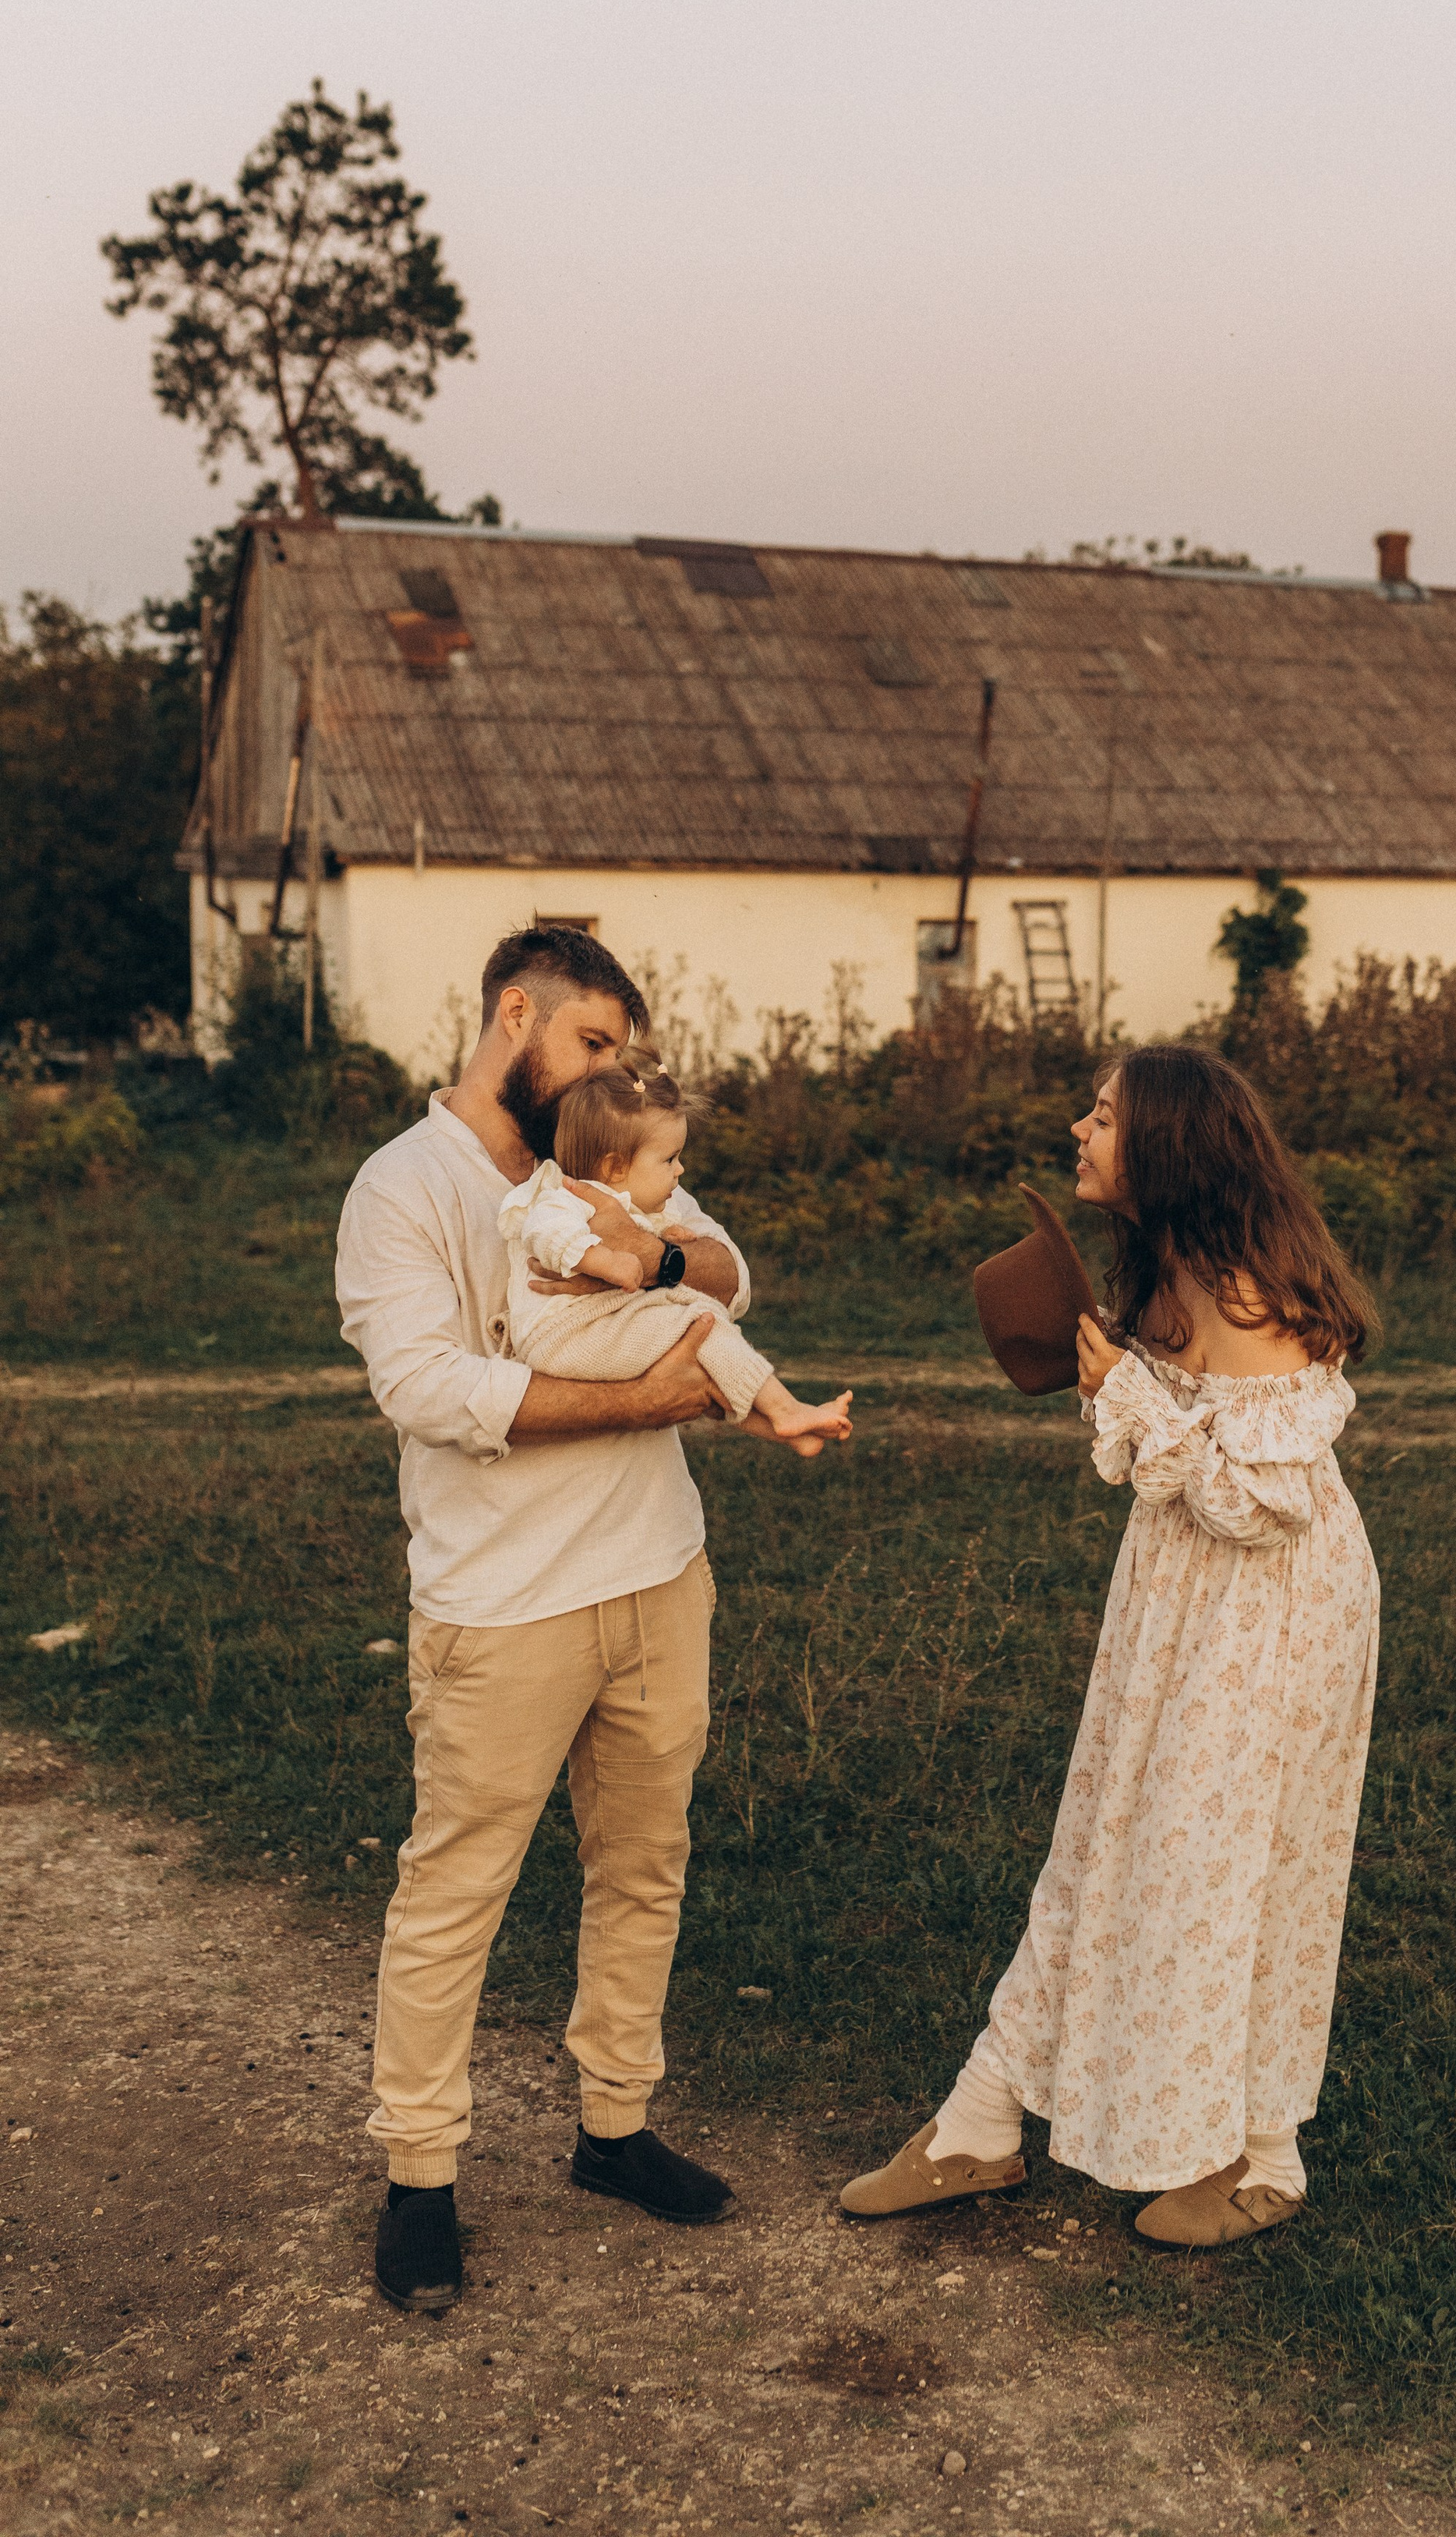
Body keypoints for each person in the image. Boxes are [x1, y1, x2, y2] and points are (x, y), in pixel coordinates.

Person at [839, 1043, 1380, 2249]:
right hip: (1189, 1592)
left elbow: (1264, 1503)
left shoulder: (1244, 1287)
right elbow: (1191, 1457)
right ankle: (982, 2122)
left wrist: (1133, 1404)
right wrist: (1120, 1386)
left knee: (1237, 1859)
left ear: (1171, 1145)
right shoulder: (1175, 1268)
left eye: (1102, 1116)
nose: (1079, 1128)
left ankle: (1264, 2154)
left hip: (1270, 1612)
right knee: (1110, 1836)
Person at [335, 925, 765, 2314]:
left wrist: (666, 1267)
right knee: (456, 1889)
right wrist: (649, 1397)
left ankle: (616, 2129)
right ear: (512, 1014)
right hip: (503, 1604)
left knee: (644, 1866)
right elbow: (430, 1391)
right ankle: (418, 2178)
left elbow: (731, 1276)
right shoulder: (402, 1188)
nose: (608, 1072)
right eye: (589, 1043)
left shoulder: (602, 1163)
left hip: (656, 1575)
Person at [500, 1053, 853, 1453]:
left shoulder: (636, 1204)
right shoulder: (566, 1195)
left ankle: (783, 1427)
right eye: (669, 1159)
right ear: (615, 1167)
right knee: (699, 1325)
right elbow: (545, 1232)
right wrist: (605, 1261)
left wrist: (666, 1234)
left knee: (701, 1350)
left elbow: (681, 1250)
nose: (680, 1170)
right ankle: (786, 1410)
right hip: (563, 1337)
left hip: (594, 1327)